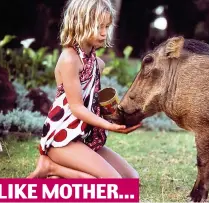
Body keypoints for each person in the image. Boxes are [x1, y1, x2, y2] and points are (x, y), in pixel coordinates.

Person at [27, 0, 141, 179]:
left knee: (132, 179)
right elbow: (77, 108)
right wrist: (110, 126)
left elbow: (90, 104)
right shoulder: (69, 59)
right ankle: (51, 167)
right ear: (79, 23)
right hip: (62, 139)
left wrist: (120, 116)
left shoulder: (97, 63)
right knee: (114, 184)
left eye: (106, 26)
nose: (104, 33)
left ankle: (62, 175)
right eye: (98, 27)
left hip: (83, 138)